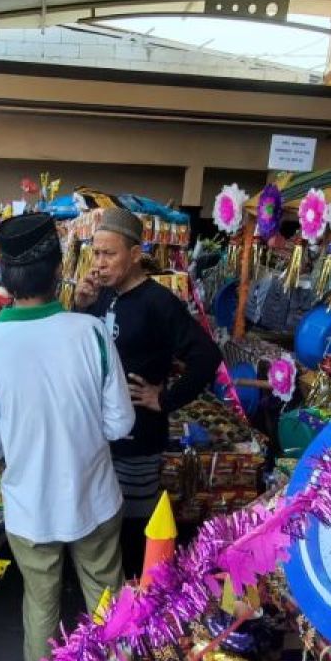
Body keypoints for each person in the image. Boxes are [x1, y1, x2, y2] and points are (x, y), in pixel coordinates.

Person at [0, 212, 135, 661]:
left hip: (30, 507)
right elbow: (119, 424)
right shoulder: (92, 334)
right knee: (106, 600)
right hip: (94, 499)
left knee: (41, 607)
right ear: (59, 269)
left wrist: (22, 442)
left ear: (3, 275)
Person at [73, 207, 223, 577]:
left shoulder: (159, 302)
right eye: (96, 253)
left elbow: (207, 355)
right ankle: (103, 598)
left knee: (133, 524)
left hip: (139, 437)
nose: (100, 262)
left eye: (110, 253)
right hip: (97, 436)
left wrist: (165, 397)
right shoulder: (102, 296)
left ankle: (136, 606)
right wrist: (80, 307)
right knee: (99, 519)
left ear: (135, 254)